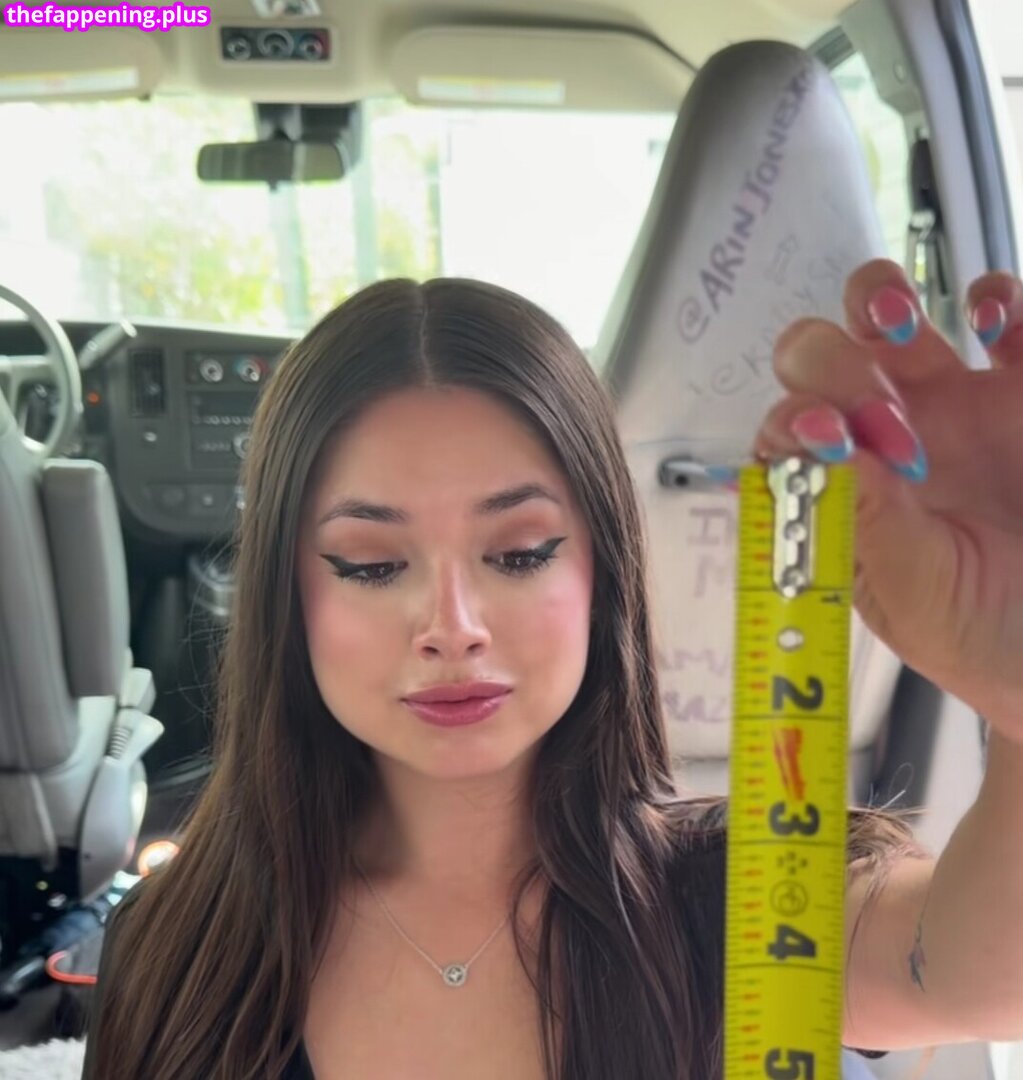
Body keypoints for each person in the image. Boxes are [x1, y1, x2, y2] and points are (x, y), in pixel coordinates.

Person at [81, 258, 1023, 1079]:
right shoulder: (176, 952)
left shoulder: (739, 902)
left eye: (520, 553)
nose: (452, 627)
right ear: (286, 596)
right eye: (370, 564)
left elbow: (982, 979)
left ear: (601, 572)